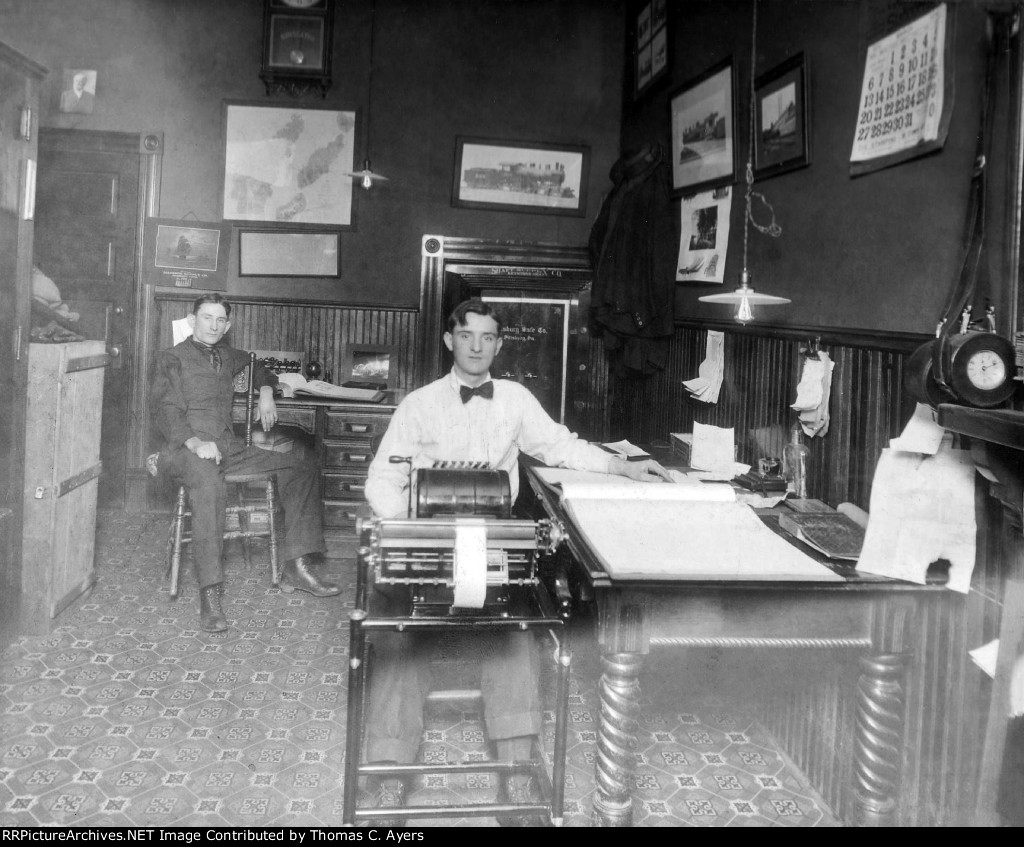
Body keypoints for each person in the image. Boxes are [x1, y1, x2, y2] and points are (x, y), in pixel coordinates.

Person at [363, 298, 670, 825]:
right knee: (398, 630)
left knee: (517, 630)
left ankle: (515, 770)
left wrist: (622, 466)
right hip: (430, 539)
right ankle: (389, 771)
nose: (477, 347)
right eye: (467, 336)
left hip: (492, 541)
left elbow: (560, 447)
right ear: (449, 340)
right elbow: (381, 480)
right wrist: (412, 531)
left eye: (487, 338)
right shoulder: (418, 404)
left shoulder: (516, 399)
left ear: (499, 345)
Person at [150, 293, 339, 633]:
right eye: (207, 318)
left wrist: (266, 391)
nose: (214, 325)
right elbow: (165, 411)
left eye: (221, 320)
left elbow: (260, 367)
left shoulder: (230, 355)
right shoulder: (171, 358)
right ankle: (211, 594)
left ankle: (296, 565)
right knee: (209, 484)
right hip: (183, 449)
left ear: (229, 325)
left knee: (302, 466)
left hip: (226, 447)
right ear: (193, 320)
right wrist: (195, 442)